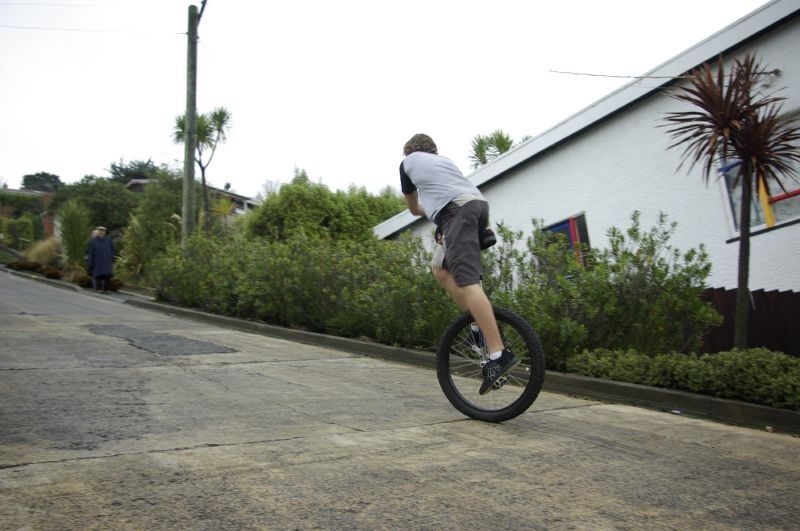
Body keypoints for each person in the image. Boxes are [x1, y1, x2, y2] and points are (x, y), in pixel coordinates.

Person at [399, 133, 517, 395]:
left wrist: (427, 212)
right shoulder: (444, 162)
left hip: (457, 212)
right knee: (439, 268)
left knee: (467, 280)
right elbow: (453, 194)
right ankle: (476, 323)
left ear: (409, 151)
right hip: (477, 208)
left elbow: (414, 208)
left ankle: (498, 353)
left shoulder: (407, 164)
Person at [87, 225, 114, 293]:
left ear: (105, 232)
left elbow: (112, 250)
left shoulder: (108, 240)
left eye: (103, 231)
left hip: (107, 260)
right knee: (98, 275)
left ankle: (107, 289)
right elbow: (91, 252)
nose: (101, 232)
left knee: (107, 276)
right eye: (100, 230)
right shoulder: (93, 241)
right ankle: (99, 289)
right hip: (97, 261)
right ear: (97, 231)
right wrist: (91, 262)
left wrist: (111, 257)